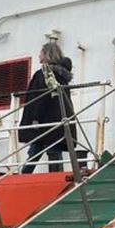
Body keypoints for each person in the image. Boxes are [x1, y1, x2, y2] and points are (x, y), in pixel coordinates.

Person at [19, 40, 77, 173]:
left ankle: (24, 175)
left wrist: (34, 118)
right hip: (60, 120)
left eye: (41, 53)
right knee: (54, 150)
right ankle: (58, 176)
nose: (39, 55)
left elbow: (38, 98)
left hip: (45, 121)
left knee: (36, 150)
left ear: (46, 54)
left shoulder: (44, 74)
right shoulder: (63, 76)